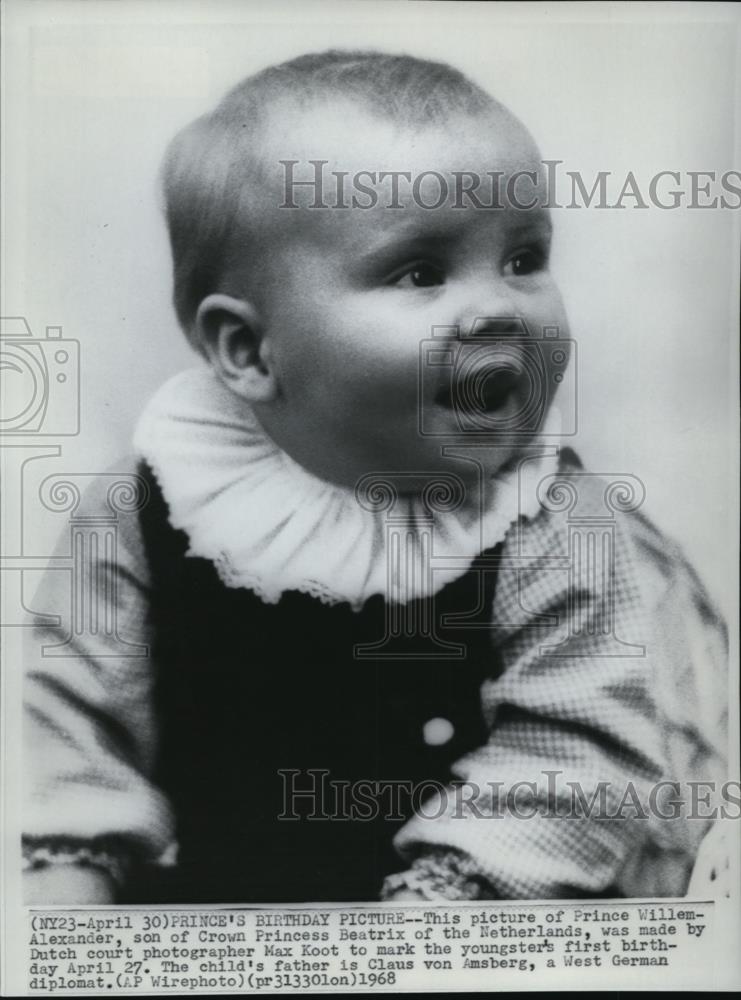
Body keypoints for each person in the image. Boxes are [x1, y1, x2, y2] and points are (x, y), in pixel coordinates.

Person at [23, 50, 728, 905]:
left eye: (522, 256)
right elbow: (66, 730)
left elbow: (576, 764)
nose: (501, 306)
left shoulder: (559, 530)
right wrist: (65, 886)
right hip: (223, 915)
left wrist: (432, 921)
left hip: (484, 919)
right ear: (247, 350)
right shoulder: (141, 511)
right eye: (421, 271)